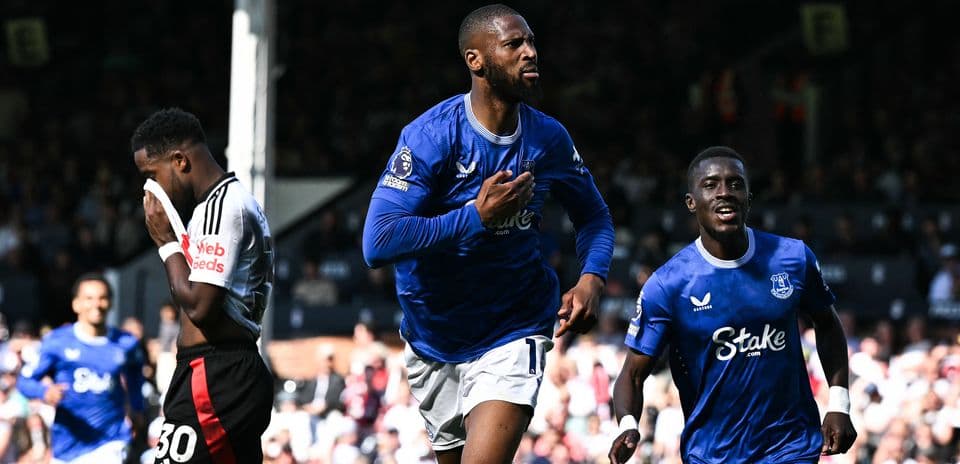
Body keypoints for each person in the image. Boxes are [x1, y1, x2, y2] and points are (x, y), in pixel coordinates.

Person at [361, 4, 614, 463]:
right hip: (433, 338)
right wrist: (476, 216)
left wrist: (593, 276)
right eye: (514, 44)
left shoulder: (549, 139)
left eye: (532, 41)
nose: (531, 52)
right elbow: (378, 241)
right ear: (475, 60)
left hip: (513, 328)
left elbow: (594, 217)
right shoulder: (430, 137)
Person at [608, 147, 857, 464]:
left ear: (749, 197)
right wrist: (627, 425)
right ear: (691, 202)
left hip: (790, 446)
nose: (724, 192)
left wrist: (839, 402)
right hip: (711, 453)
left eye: (735, 183)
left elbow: (828, 324)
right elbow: (631, 374)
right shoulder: (667, 285)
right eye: (711, 185)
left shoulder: (793, 257)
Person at [132, 108, 275, 463]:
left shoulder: (223, 206)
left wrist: (166, 242)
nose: (150, 188)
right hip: (222, 371)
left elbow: (199, 306)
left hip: (215, 375)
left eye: (152, 174)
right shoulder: (214, 207)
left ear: (179, 161)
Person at [17, 273, 145, 463]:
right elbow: (24, 381)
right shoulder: (56, 341)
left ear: (110, 303)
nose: (97, 304)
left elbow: (135, 373)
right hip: (67, 445)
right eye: (89, 298)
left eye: (102, 298)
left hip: (111, 440)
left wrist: (136, 407)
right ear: (76, 304)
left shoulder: (126, 343)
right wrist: (45, 392)